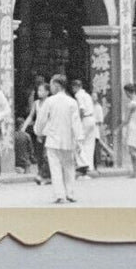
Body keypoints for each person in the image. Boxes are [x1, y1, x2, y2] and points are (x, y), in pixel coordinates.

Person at [34, 74, 83, 203]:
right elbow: (76, 123)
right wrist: (79, 140)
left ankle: (60, 195)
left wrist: (38, 132)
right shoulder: (72, 102)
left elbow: (41, 119)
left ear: (56, 85)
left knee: (55, 168)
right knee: (69, 167)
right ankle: (70, 193)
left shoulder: (50, 101)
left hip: (53, 139)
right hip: (68, 140)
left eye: (51, 85)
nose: (50, 87)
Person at [22, 81, 52, 184]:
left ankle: (44, 175)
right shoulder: (36, 103)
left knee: (46, 155)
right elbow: (31, 116)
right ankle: (42, 174)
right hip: (39, 131)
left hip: (48, 132)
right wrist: (24, 127)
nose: (39, 92)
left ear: (47, 92)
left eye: (41, 90)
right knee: (39, 155)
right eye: (38, 90)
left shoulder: (50, 102)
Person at [71, 78, 96, 177]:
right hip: (91, 119)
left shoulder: (78, 95)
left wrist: (79, 121)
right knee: (89, 144)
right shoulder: (87, 95)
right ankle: (90, 165)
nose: (72, 90)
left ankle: (83, 164)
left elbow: (81, 108)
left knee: (78, 142)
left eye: (73, 87)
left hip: (84, 119)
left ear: (76, 87)